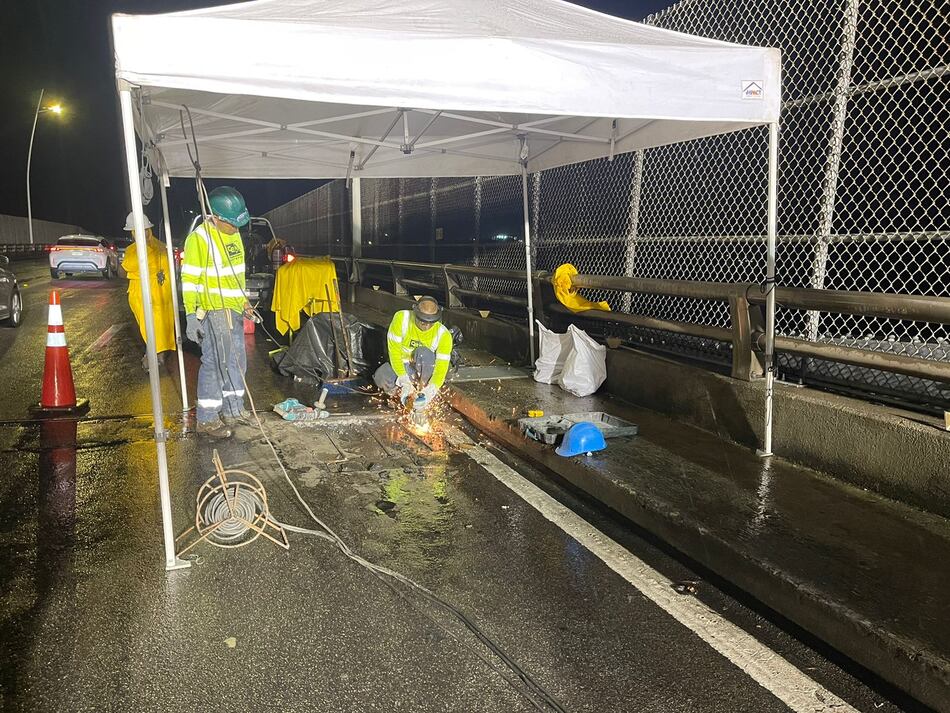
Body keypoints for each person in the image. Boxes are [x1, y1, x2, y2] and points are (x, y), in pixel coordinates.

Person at [180, 186, 254, 439]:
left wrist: (245, 303)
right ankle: (208, 418)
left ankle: (234, 409)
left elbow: (236, 276)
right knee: (215, 364)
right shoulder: (199, 239)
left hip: (233, 310)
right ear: (216, 217)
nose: (237, 229)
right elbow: (189, 280)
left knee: (237, 362)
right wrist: (191, 315)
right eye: (232, 224)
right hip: (213, 310)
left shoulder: (234, 235)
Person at [374, 296, 453, 410]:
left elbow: (441, 368)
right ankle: (401, 399)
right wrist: (405, 381)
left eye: (430, 322)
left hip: (424, 369)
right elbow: (394, 354)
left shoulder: (444, 335)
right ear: (415, 312)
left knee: (424, 353)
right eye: (422, 321)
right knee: (381, 376)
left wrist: (431, 390)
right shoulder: (401, 319)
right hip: (402, 366)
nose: (426, 326)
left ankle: (422, 398)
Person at [120, 212, 176, 370]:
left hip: (145, 296)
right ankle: (157, 355)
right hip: (162, 294)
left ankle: (153, 358)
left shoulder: (136, 251)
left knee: (150, 327)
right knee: (158, 327)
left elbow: (122, 271)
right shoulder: (161, 247)